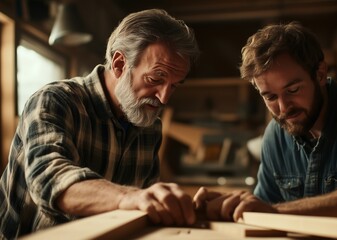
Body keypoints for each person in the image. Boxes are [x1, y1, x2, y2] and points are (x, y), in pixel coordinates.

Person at [0, 9, 200, 239]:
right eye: (155, 79)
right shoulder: (55, 100)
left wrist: (196, 208)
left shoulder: (150, 126)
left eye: (174, 85)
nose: (164, 98)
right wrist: (127, 197)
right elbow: (47, 179)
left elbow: (143, 208)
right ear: (119, 64)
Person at [193, 21, 337, 223]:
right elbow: (261, 210)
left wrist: (276, 213)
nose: (283, 108)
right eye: (270, 97)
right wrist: (230, 208)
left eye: (293, 90)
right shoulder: (275, 134)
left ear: (320, 74)